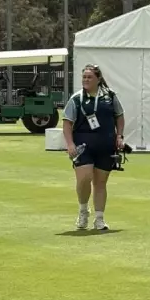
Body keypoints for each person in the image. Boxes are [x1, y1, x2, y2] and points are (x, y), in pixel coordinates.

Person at [62, 64, 125, 230]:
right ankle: (83, 210)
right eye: (84, 77)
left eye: (89, 77)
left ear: (98, 79)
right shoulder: (77, 99)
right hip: (83, 145)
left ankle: (99, 218)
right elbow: (67, 123)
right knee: (84, 178)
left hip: (105, 145)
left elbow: (119, 116)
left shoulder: (110, 96)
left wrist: (119, 136)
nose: (86, 80)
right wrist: (70, 144)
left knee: (100, 182)